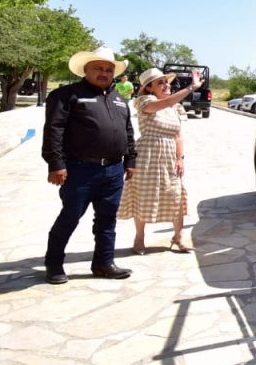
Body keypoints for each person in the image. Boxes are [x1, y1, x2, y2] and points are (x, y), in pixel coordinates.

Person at [42, 46, 136, 284]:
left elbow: (128, 131)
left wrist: (130, 160)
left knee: (107, 219)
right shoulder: (66, 95)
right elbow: (54, 130)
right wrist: (56, 163)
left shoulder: (119, 99)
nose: (104, 73)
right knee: (70, 217)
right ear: (85, 70)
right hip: (79, 170)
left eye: (109, 69)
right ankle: (53, 264)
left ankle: (104, 263)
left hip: (113, 170)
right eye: (98, 68)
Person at [117, 66, 202, 254]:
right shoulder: (145, 101)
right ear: (149, 87)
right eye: (160, 83)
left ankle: (178, 236)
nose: (166, 85)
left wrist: (180, 158)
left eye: (166, 82)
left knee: (175, 195)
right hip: (148, 154)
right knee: (143, 195)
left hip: (169, 155)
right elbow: (164, 103)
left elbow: (178, 136)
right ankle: (140, 238)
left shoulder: (174, 107)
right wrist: (191, 87)